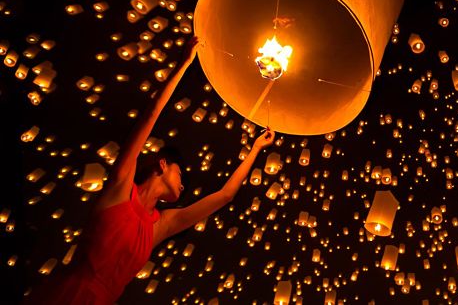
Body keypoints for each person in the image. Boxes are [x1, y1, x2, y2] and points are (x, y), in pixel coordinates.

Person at [25, 35, 276, 304]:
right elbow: (151, 114)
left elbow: (226, 195)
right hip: (66, 294)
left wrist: (257, 149)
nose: (183, 185)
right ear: (162, 164)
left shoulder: (161, 225)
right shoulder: (121, 188)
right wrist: (182, 65)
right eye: (180, 175)